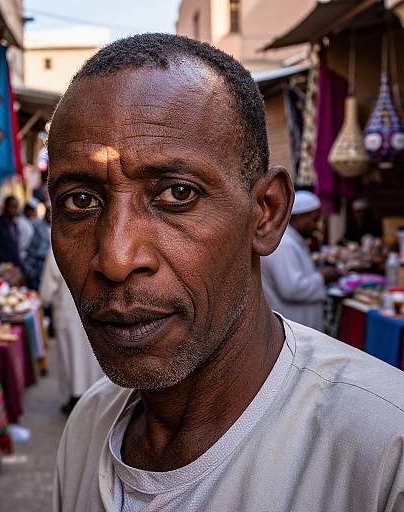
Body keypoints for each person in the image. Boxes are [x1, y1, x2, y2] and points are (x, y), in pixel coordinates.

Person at [48, 34, 404, 512]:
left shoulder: (384, 450)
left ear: (266, 213)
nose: (115, 258)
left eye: (177, 194)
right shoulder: (90, 424)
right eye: (80, 201)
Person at [261, 190, 338, 331]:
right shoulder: (284, 243)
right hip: (294, 328)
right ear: (299, 217)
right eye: (314, 220)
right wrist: (323, 277)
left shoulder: (291, 240)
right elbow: (292, 289)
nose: (316, 226)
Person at [39, 250, 103, 414]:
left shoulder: (58, 248)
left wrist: (43, 299)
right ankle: (92, 394)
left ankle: (76, 397)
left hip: (68, 312)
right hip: (91, 310)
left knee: (72, 356)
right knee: (89, 355)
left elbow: (47, 290)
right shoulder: (96, 244)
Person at [24, 204, 52, 290]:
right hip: (37, 269)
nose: (50, 216)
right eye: (48, 213)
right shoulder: (40, 228)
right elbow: (37, 251)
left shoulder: (55, 227)